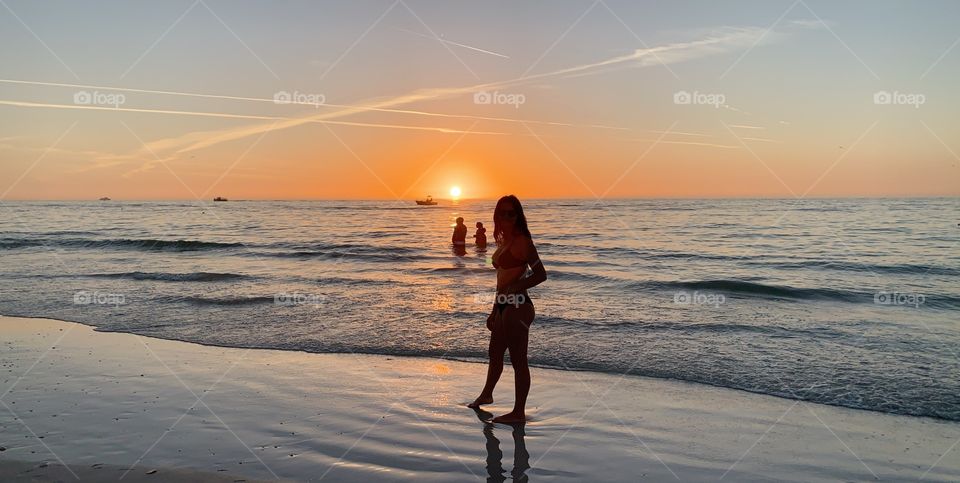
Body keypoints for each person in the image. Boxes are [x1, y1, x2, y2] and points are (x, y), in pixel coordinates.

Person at [468, 195, 547, 424]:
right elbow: (500, 279)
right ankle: (487, 394)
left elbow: (541, 274)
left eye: (511, 213)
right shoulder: (504, 241)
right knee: (494, 352)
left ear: (518, 216)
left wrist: (516, 286)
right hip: (503, 304)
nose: (506, 217)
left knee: (518, 359)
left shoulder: (523, 241)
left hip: (519, 306)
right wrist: (494, 309)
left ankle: (518, 412)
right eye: (501, 213)